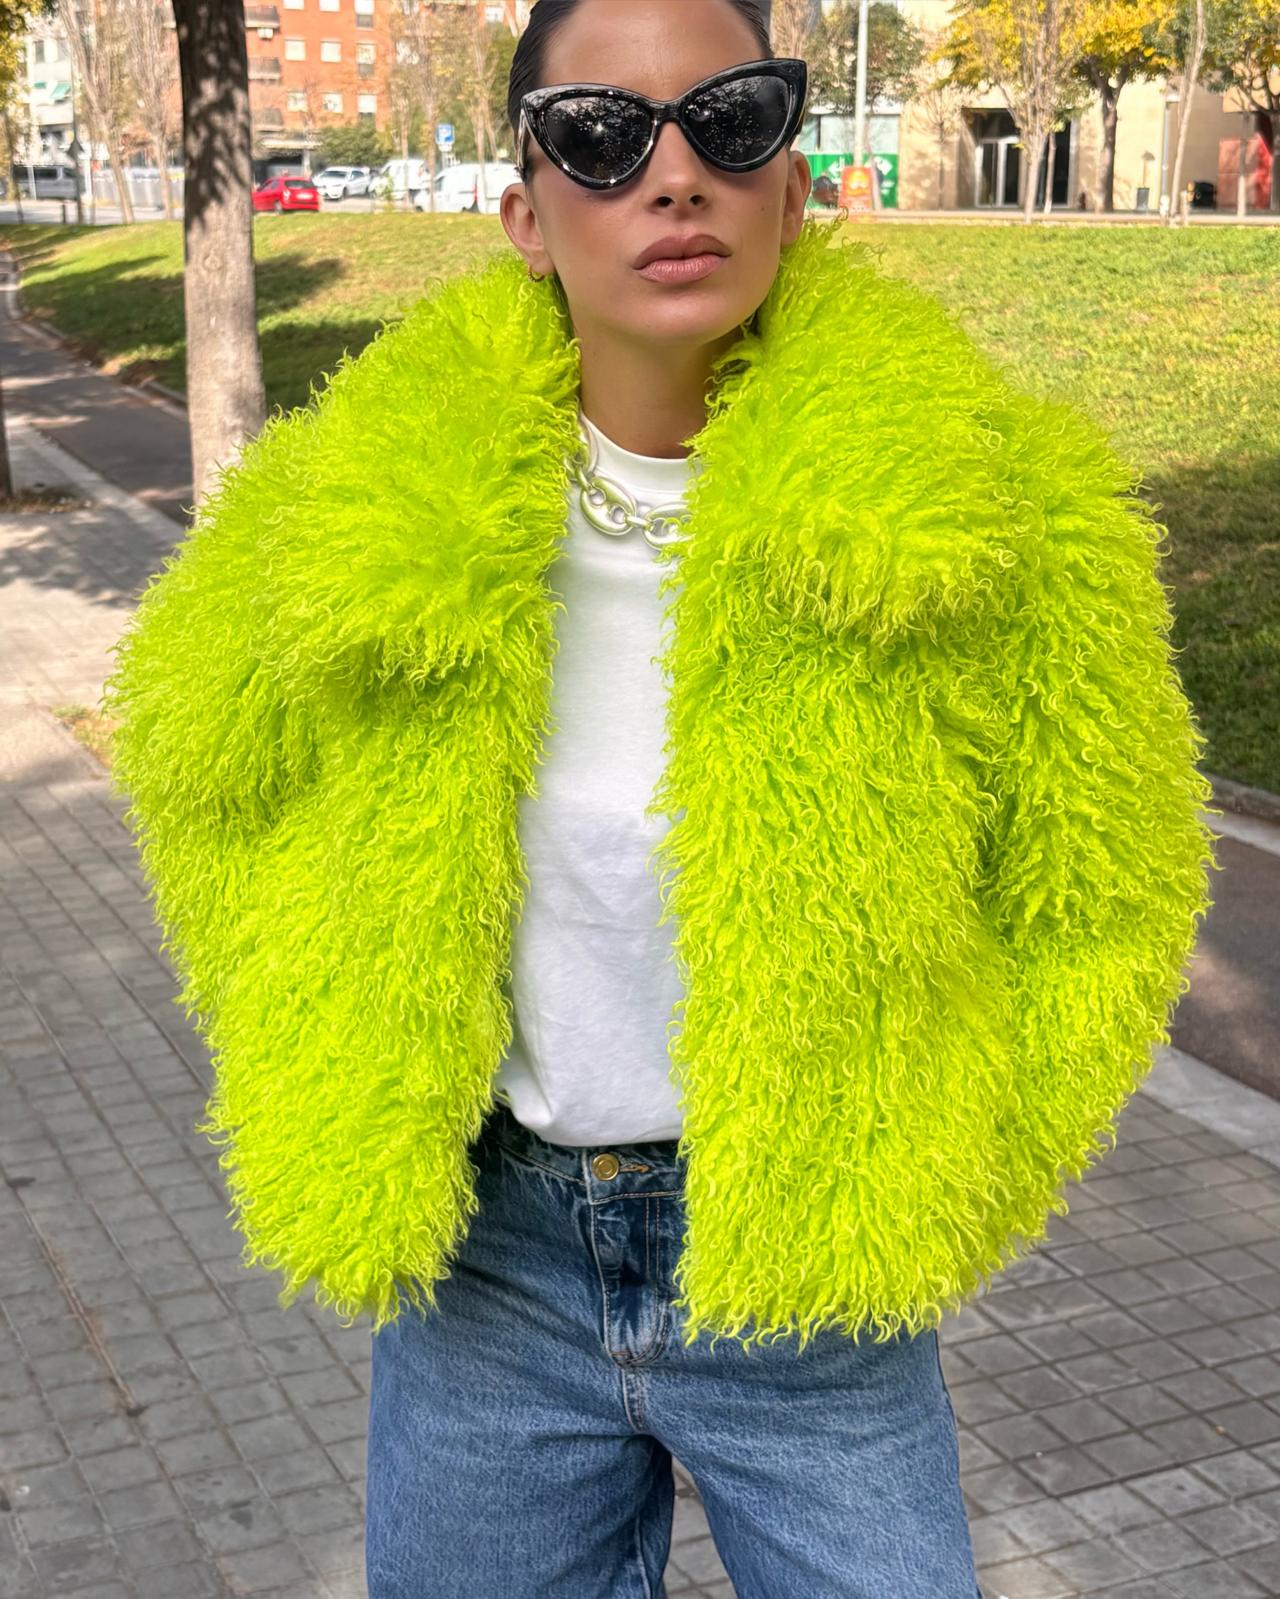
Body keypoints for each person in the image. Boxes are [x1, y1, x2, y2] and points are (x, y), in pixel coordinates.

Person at [100, 0, 1217, 1594]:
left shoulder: (999, 509)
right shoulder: (359, 510)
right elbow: (196, 766)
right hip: (489, 1271)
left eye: (731, 119)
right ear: (526, 215)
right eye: (603, 138)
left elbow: (1111, 883)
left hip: (819, 1270)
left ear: (795, 184)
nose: (673, 176)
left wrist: (957, 1156)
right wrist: (319, 1044)